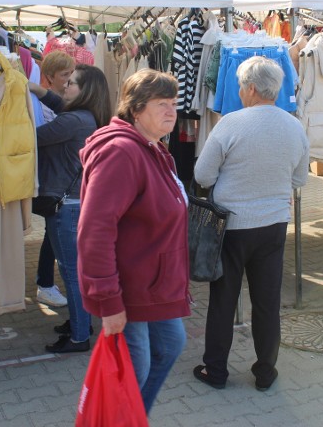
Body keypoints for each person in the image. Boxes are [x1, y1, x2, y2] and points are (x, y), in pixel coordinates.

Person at [192, 56, 310, 392]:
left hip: (230, 225)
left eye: (242, 86)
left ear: (252, 88)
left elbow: (203, 174)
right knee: (267, 301)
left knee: (223, 299)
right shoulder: (295, 126)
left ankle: (215, 371)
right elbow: (300, 178)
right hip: (273, 224)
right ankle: (265, 372)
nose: (240, 92)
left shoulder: (231, 124)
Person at [78, 69, 189, 413]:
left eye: (173, 103)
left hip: (153, 285)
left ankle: (134, 417)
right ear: (137, 108)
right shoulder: (122, 153)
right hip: (129, 289)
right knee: (134, 370)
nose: (171, 111)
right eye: (161, 104)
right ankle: (126, 418)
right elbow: (95, 230)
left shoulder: (153, 148)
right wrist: (108, 301)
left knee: (170, 344)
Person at [28, 64, 112, 354]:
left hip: (66, 207)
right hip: (77, 203)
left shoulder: (74, 121)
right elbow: (60, 104)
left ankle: (78, 337)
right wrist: (36, 89)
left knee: (71, 272)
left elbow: (31, 138)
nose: (65, 86)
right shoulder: (90, 117)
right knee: (77, 270)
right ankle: (82, 323)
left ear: (85, 91)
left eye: (73, 83)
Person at [34, 51, 77, 307]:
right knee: (54, 231)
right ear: (49, 77)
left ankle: (47, 283)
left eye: (71, 73)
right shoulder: (40, 103)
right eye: (64, 75)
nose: (69, 79)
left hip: (63, 176)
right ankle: (46, 283)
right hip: (53, 178)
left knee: (55, 232)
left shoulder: (66, 100)